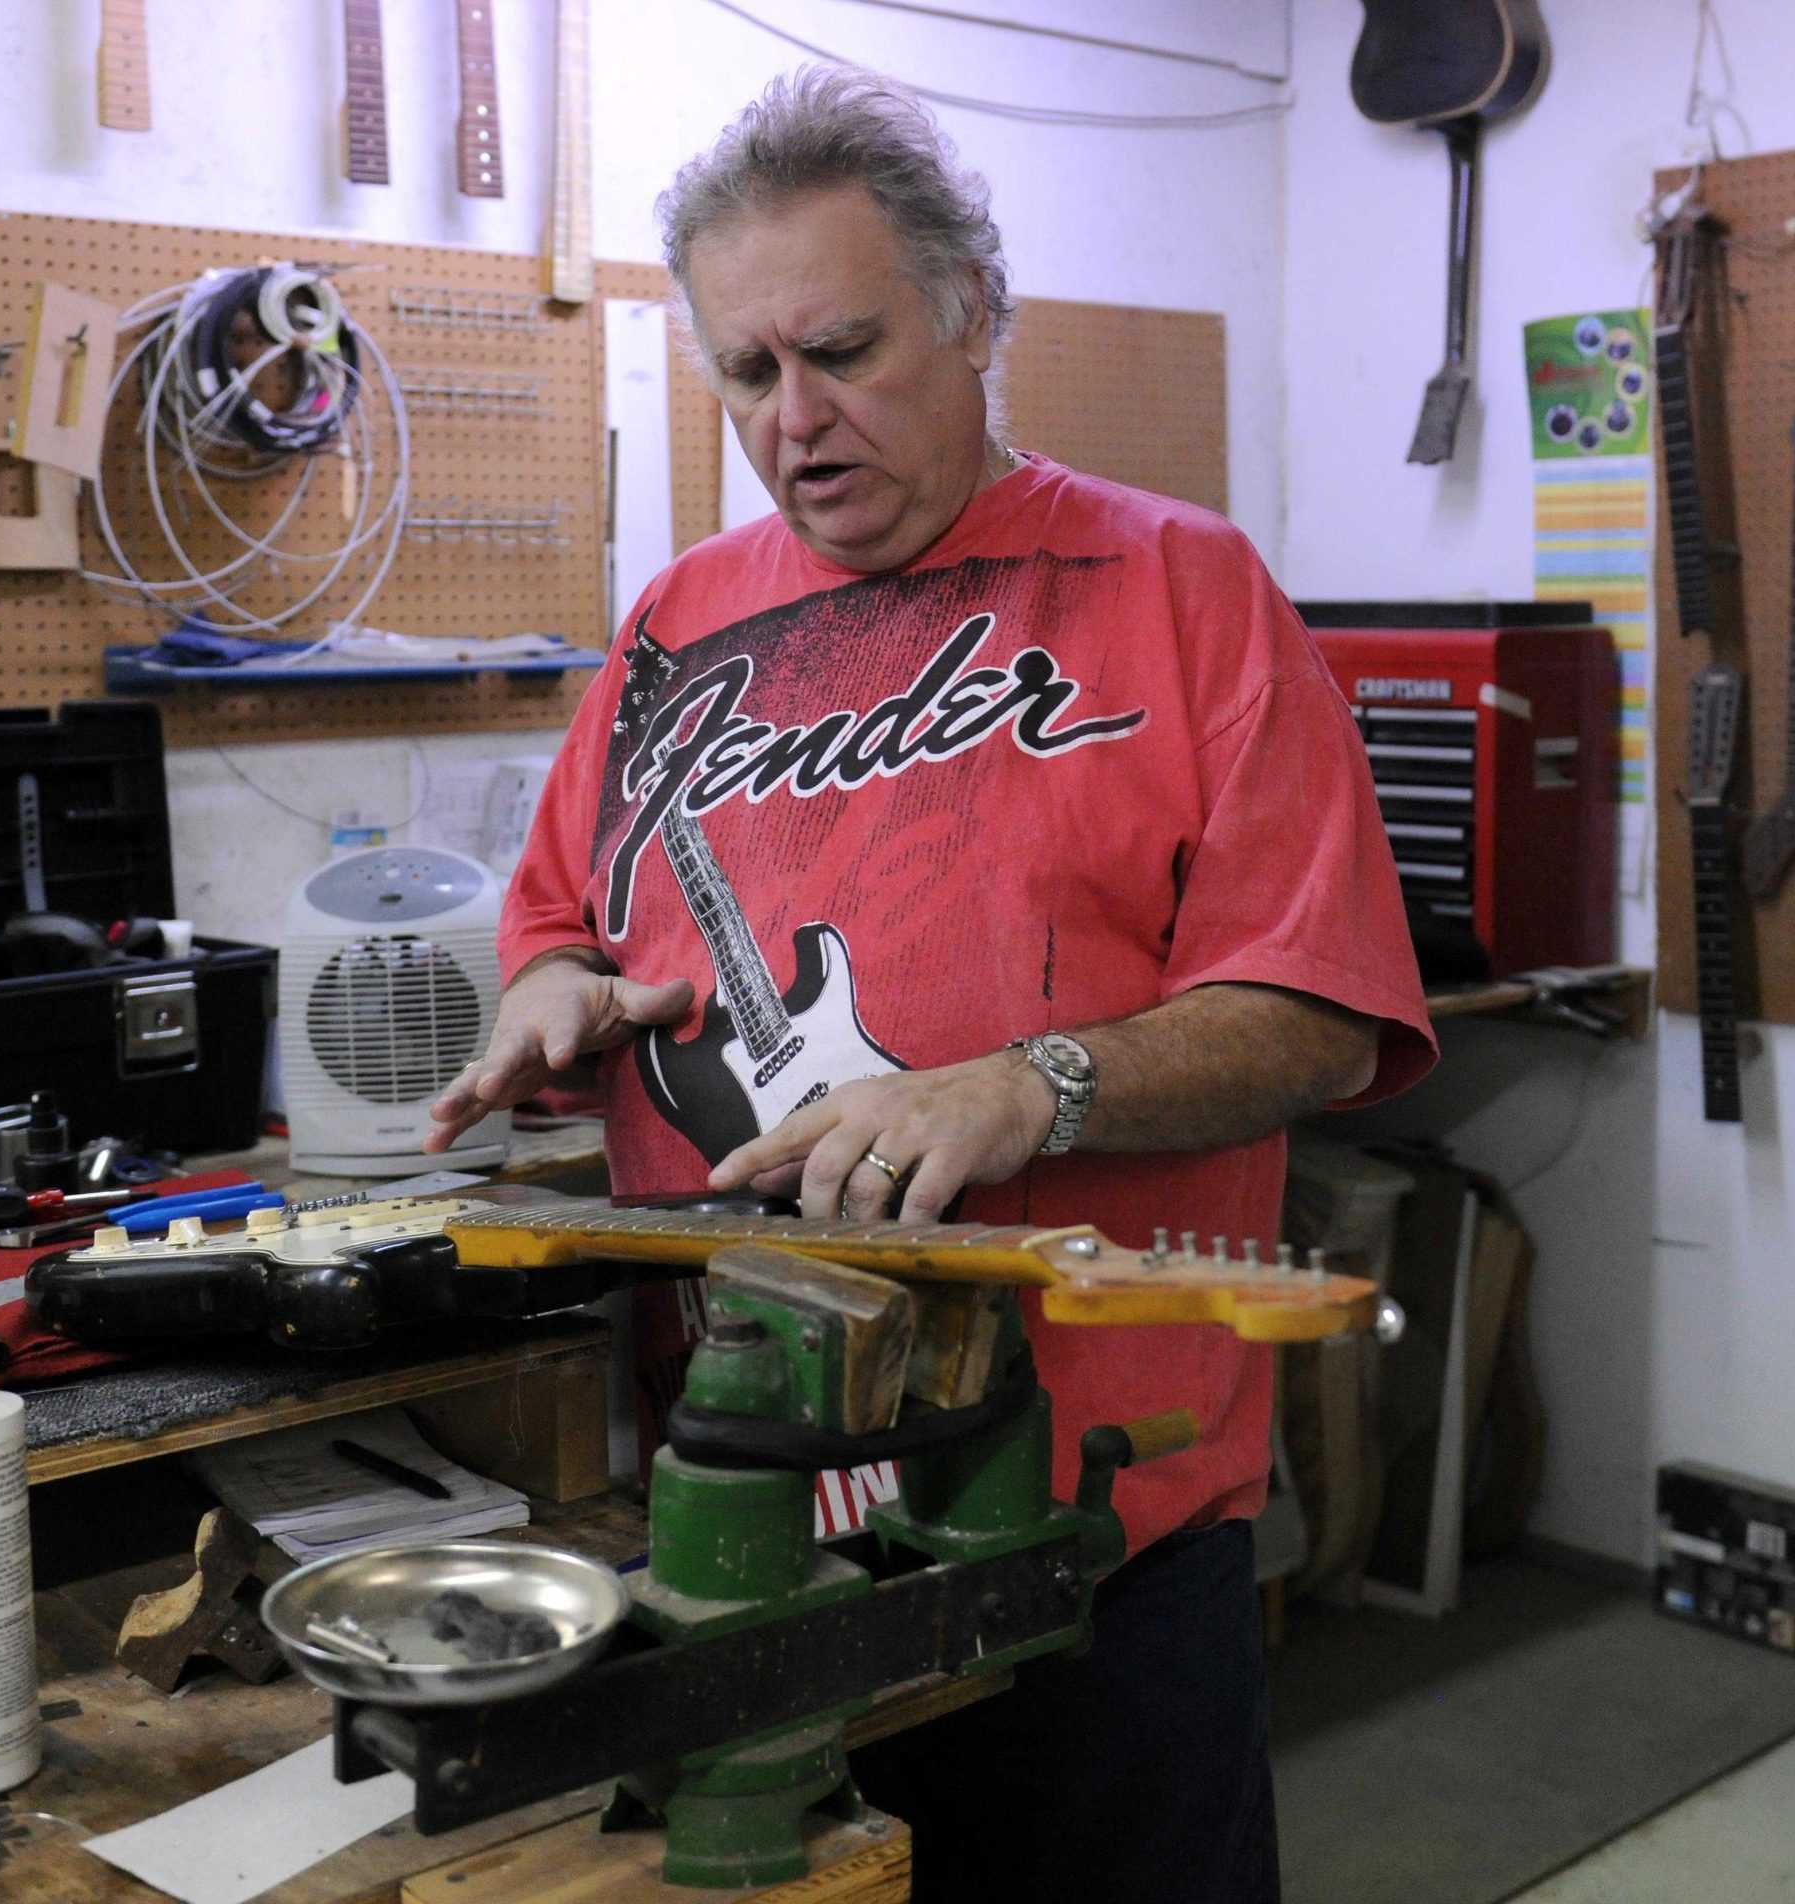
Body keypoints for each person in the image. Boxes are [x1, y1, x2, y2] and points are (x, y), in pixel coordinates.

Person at [426, 65, 1435, 1903]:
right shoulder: (670, 630)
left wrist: (1019, 1084)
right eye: (746, 375)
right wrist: (548, 994)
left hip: (1081, 1525)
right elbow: (558, 914)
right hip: (737, 1507)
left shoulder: (1182, 589)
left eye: (845, 351)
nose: (795, 423)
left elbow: (1321, 1005)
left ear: (977, 317)